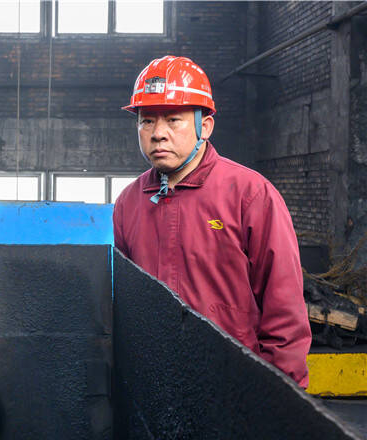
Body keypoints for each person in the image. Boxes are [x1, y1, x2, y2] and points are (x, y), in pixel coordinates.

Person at [112, 55, 310, 387]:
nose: (158, 134)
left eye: (173, 120)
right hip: (156, 384)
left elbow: (284, 308)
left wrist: (281, 394)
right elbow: (126, 304)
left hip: (232, 384)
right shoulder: (129, 203)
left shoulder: (249, 195)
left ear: (204, 126)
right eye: (147, 121)